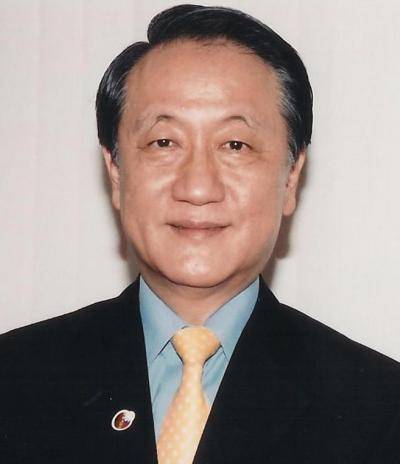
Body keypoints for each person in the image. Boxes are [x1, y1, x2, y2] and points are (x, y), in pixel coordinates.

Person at [1, 4, 399, 463]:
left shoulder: (378, 410)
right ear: (116, 171)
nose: (197, 187)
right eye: (164, 142)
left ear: (291, 177)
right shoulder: (15, 380)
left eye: (235, 145)